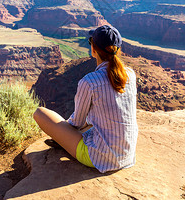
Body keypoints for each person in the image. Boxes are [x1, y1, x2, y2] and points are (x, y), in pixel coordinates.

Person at [33, 24, 138, 173]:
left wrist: (63, 133)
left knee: (40, 113)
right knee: (89, 124)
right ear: (118, 49)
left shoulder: (90, 81)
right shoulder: (131, 75)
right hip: (127, 155)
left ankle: (64, 142)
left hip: (100, 157)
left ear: (93, 49)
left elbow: (77, 123)